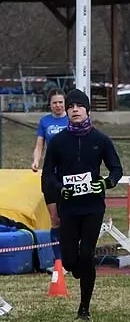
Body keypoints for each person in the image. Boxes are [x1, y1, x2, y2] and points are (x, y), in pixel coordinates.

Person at [41, 89, 123, 321]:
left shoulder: (100, 140)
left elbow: (117, 169)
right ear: (66, 111)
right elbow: (48, 174)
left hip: (93, 207)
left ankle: (84, 308)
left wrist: (105, 183)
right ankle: (79, 269)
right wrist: (59, 189)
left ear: (87, 110)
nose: (74, 110)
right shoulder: (58, 141)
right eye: (70, 106)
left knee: (86, 254)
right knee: (69, 260)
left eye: (79, 106)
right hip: (68, 207)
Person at [34, 88, 69, 261]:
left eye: (61, 102)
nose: (58, 105)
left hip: (68, 175)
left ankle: (73, 256)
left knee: (69, 218)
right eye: (55, 102)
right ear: (50, 104)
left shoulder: (72, 119)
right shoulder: (44, 121)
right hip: (50, 176)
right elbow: (39, 145)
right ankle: (58, 261)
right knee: (55, 219)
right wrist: (36, 161)